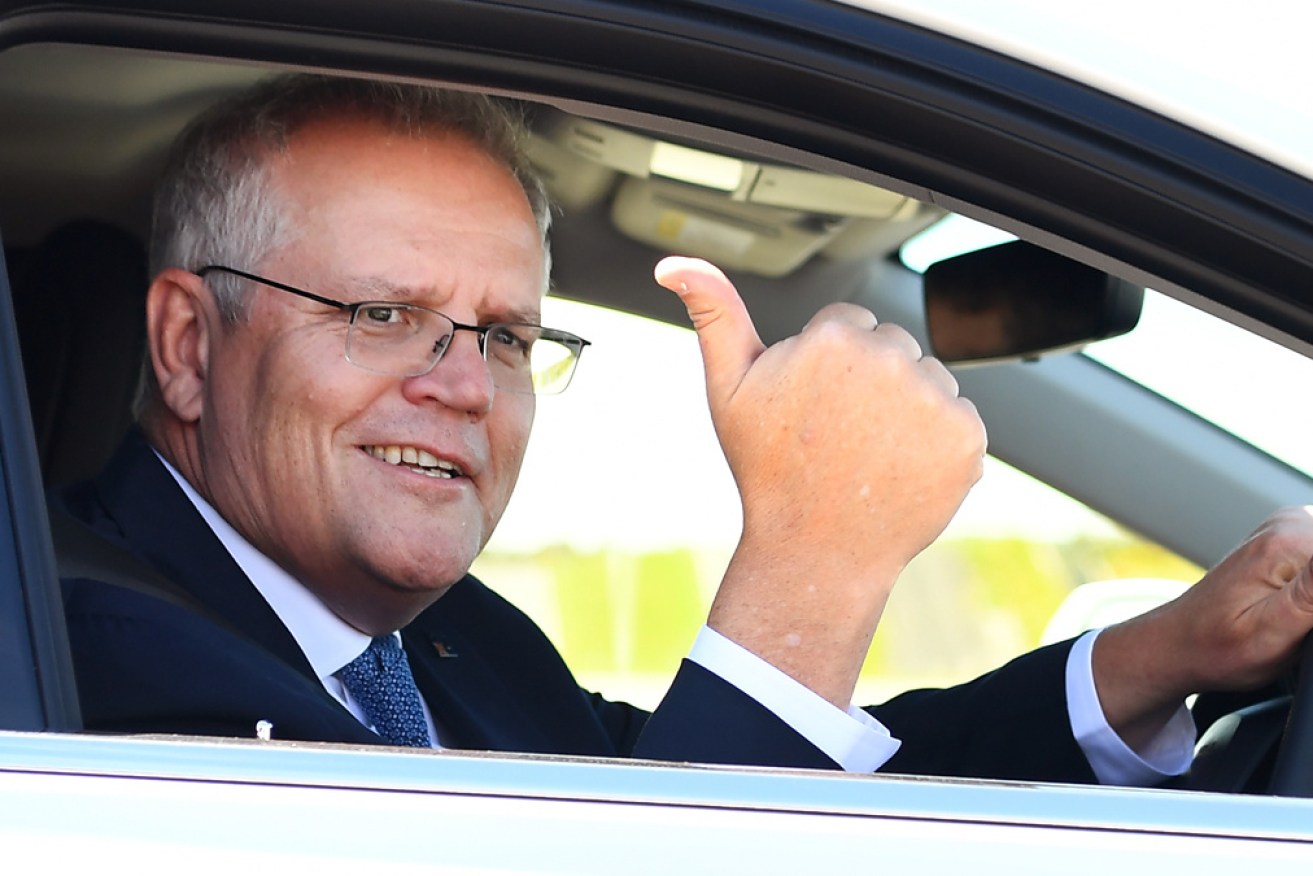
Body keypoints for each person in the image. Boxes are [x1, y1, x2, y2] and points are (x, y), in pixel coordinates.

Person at [57, 73, 1313, 784]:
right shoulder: (90, 667)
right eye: (383, 312)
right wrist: (812, 561)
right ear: (187, 345)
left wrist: (1168, 651)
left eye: (505, 335)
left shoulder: (439, 648)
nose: (461, 382)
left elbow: (682, 786)